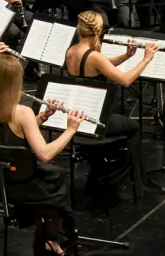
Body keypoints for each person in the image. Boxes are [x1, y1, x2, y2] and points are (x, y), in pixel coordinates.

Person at [0, 53, 81, 256]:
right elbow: (45, 154)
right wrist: (70, 130)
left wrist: (42, 116)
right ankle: (49, 237)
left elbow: (13, 134)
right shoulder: (21, 111)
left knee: (51, 176)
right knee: (56, 178)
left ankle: (44, 232)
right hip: (20, 185)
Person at [63, 11, 150, 199]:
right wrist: (146, 59)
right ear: (99, 30)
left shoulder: (71, 52)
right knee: (134, 128)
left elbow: (102, 66)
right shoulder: (94, 55)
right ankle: (132, 183)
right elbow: (125, 80)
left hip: (79, 118)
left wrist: (126, 56)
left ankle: (103, 173)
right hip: (99, 120)